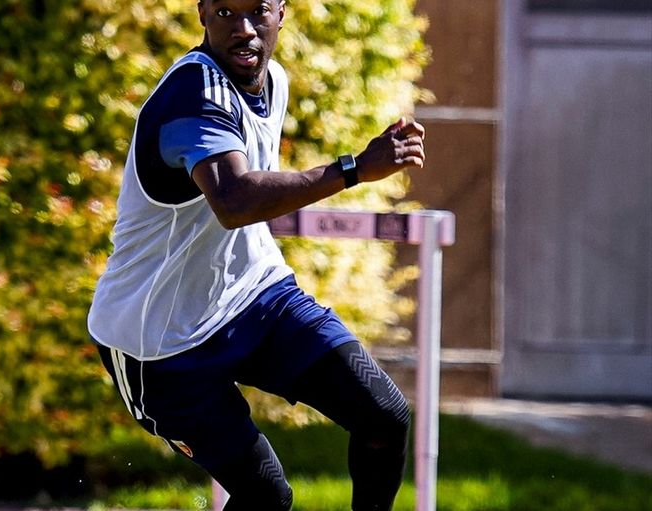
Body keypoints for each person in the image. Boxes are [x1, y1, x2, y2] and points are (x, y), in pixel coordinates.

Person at [87, 1, 426, 509]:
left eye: (258, 10)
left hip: (254, 295)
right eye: (226, 11)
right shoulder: (193, 95)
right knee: (266, 497)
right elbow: (235, 200)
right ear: (202, 12)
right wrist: (354, 168)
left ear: (282, 12)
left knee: (383, 417)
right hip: (160, 342)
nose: (243, 29)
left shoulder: (274, 81)